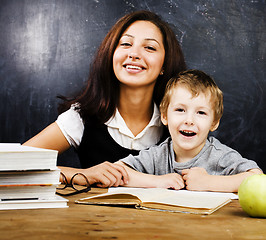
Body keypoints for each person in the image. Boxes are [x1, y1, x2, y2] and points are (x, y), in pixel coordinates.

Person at [23, 10, 186, 187]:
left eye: (149, 47)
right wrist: (82, 175)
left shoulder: (182, 119)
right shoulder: (82, 116)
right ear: (111, 54)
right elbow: (13, 165)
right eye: (125, 44)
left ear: (164, 64)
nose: (134, 54)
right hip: (92, 216)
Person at [116, 70, 263, 192]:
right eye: (180, 110)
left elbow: (256, 177)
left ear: (214, 122)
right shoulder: (157, 156)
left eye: (201, 113)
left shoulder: (220, 157)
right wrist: (157, 181)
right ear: (165, 116)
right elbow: (117, 171)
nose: (189, 120)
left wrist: (209, 182)